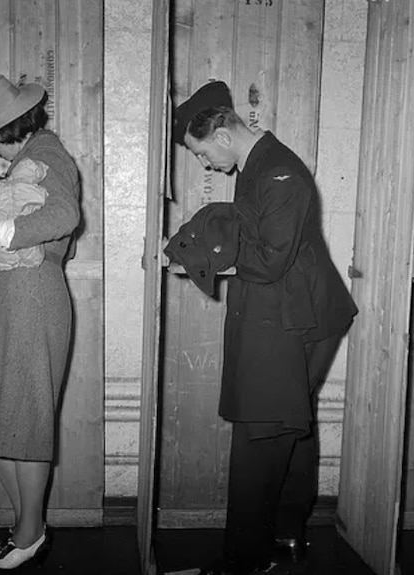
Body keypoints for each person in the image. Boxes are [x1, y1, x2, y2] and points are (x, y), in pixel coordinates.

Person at [172, 81, 358, 575]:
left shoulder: (277, 173)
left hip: (303, 314)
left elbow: (270, 259)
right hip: (302, 307)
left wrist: (201, 259)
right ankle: (287, 533)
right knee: (288, 423)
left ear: (224, 135)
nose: (204, 164)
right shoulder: (258, 166)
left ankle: (245, 559)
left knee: (263, 430)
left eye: (201, 152)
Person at [0, 74, 81, 571]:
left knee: (22, 424)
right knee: (3, 424)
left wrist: (3, 229)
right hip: (13, 297)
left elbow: (63, 215)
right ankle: (27, 528)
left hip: (32, 299)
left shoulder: (44, 155)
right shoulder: (34, 155)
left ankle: (29, 533)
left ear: (6, 129)